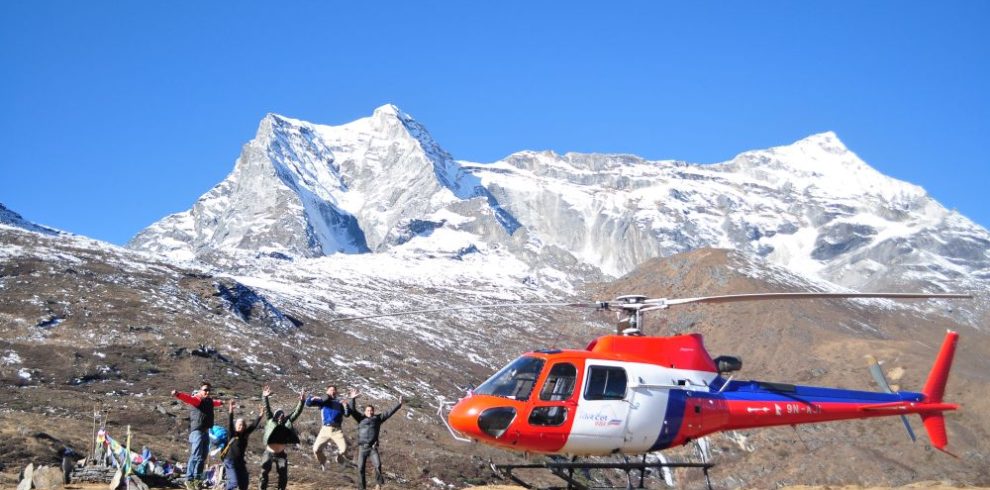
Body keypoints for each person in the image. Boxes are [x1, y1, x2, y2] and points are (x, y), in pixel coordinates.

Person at [172, 382, 224, 490]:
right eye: (205, 390)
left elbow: (215, 403)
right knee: (196, 456)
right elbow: (188, 399)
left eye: (209, 390)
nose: (207, 392)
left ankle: (198, 479)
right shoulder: (197, 400)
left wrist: (221, 403)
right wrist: (178, 394)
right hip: (197, 432)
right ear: (201, 391)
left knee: (203, 457)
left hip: (205, 432)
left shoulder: (208, 401)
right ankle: (189, 480)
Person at [348, 389, 403, 490]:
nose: (370, 412)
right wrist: (352, 399)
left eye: (371, 410)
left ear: (374, 411)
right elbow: (352, 410)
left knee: (378, 465)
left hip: (372, 448)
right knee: (360, 469)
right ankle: (362, 488)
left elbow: (389, 412)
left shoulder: (378, 418)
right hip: (362, 448)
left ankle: (378, 484)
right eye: (368, 410)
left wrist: (398, 404)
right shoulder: (360, 418)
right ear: (365, 412)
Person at [259, 385, 305, 490]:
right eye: (279, 414)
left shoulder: (287, 422)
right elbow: (267, 408)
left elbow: (296, 412)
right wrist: (265, 397)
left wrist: (301, 402)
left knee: (283, 476)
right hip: (269, 453)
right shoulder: (270, 420)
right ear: (275, 416)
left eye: (282, 415)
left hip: (281, 455)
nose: (281, 416)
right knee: (263, 474)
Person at [306, 384, 350, 470]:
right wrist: (311, 398)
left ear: (336, 392)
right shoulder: (323, 401)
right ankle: (323, 461)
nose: (332, 391)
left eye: (334, 390)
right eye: (330, 390)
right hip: (325, 429)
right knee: (316, 449)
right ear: (327, 392)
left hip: (337, 430)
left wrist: (346, 406)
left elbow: (347, 414)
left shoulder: (339, 402)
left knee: (344, 449)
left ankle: (339, 458)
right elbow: (309, 403)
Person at [222, 400, 262, 490]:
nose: (242, 426)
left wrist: (260, 415)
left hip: (240, 462)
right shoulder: (232, 434)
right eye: (239, 425)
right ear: (236, 426)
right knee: (233, 482)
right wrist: (231, 411)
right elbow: (230, 423)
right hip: (230, 462)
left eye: (243, 425)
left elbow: (253, 426)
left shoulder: (245, 435)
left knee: (244, 483)